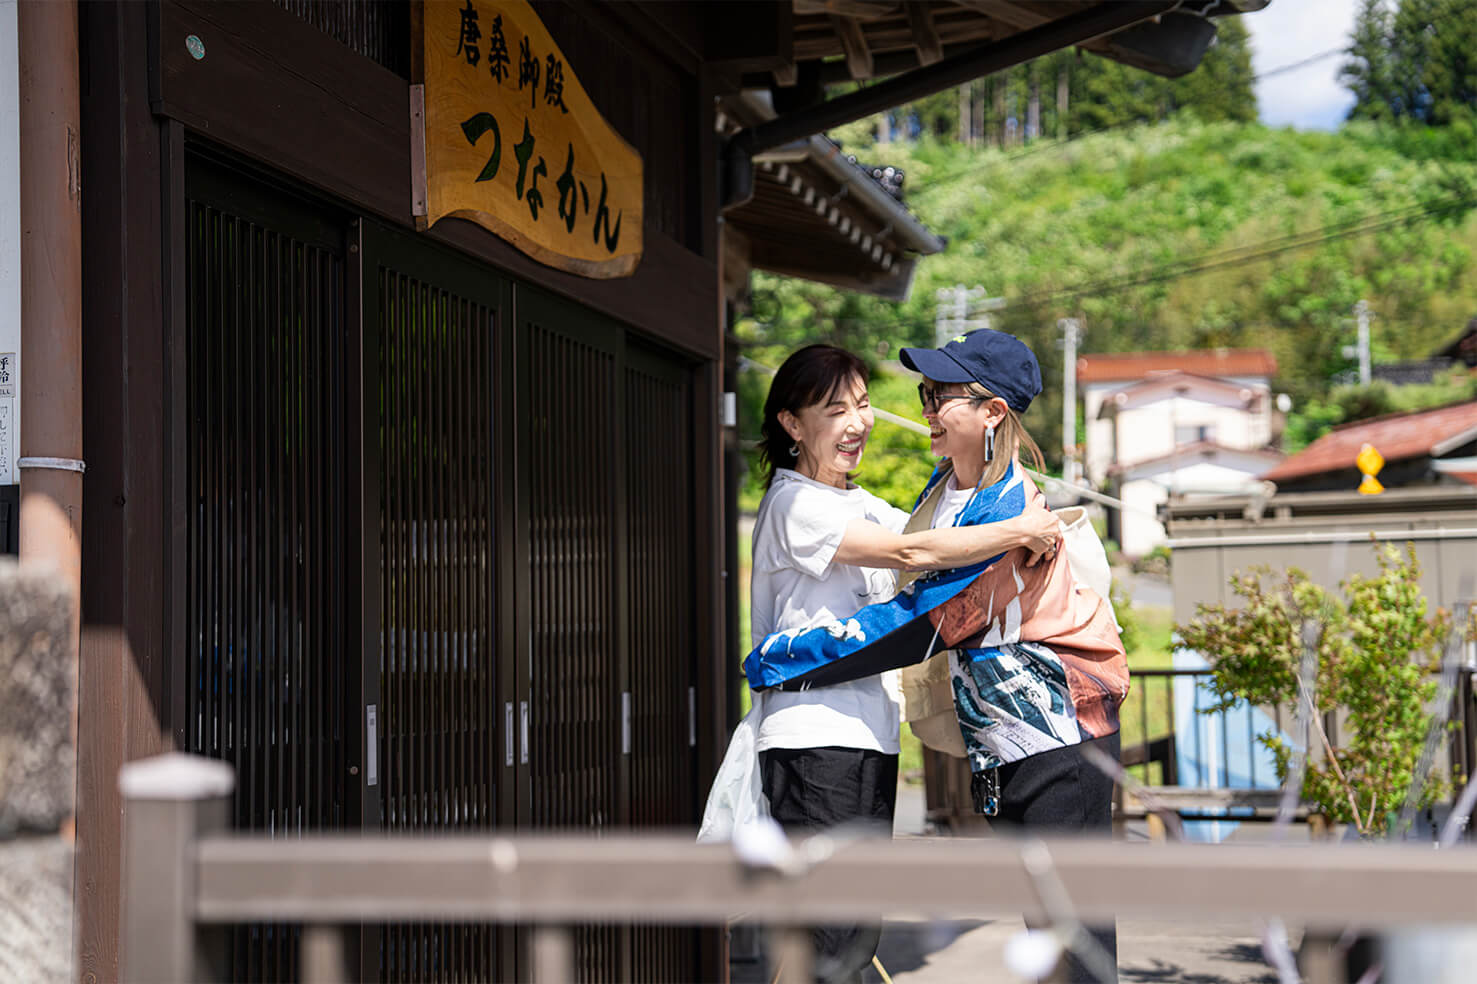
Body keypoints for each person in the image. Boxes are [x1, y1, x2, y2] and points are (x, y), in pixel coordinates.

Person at [746, 331, 1129, 984]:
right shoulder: (934, 496)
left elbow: (922, 610)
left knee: (1067, 933)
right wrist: (777, 662)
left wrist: (781, 660)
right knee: (832, 932)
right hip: (934, 739)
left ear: (991, 412)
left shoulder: (996, 500)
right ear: (791, 422)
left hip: (1055, 729)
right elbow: (912, 557)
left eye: (937, 395)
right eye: (921, 393)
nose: (919, 408)